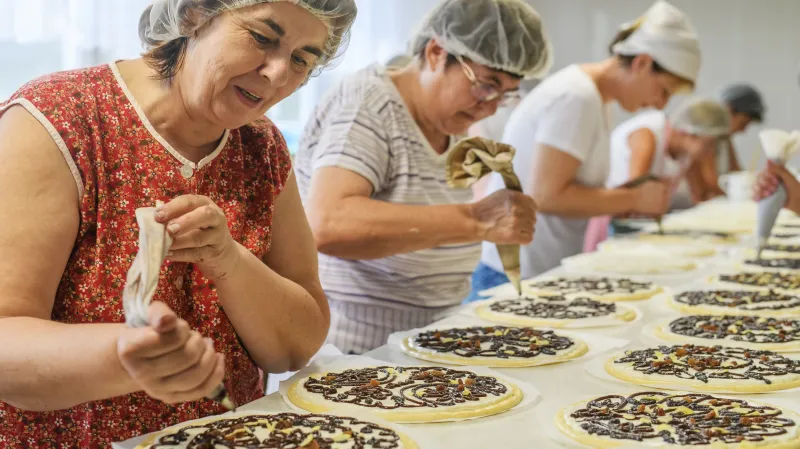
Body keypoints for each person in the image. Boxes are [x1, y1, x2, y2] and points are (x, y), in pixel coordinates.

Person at [0, 1, 356, 447]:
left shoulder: (261, 145)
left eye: (303, 59)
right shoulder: (60, 119)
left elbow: (293, 347)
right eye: (263, 38)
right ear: (194, 15)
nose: (278, 73)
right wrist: (123, 356)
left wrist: (228, 260)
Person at [294, 0, 552, 354]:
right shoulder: (369, 104)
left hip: (428, 338)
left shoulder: (450, 119)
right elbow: (329, 223)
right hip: (359, 350)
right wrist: (475, 220)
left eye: (505, 95)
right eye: (486, 85)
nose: (491, 107)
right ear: (435, 53)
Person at [469, 0, 702, 299]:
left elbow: (568, 188)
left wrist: (625, 196)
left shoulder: (596, 99)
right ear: (642, 63)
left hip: (539, 269)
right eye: (664, 91)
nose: (660, 105)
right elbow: (545, 196)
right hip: (514, 273)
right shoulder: (577, 96)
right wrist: (634, 197)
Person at [601, 98, 730, 238]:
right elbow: (639, 198)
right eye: (709, 144)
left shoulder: (686, 149)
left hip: (646, 221)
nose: (711, 151)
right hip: (615, 221)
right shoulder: (647, 137)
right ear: (688, 134)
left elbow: (699, 195)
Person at [683, 83, 765, 203]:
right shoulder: (703, 139)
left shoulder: (725, 140)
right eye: (743, 123)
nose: (743, 131)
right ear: (728, 110)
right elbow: (710, 185)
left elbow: (737, 174)